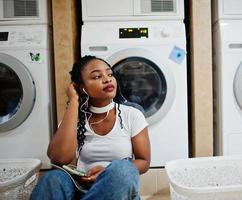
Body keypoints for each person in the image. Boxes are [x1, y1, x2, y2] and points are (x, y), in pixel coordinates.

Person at [30, 55, 151, 200]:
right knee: (53, 178)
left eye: (110, 74)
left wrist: (107, 172)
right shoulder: (74, 117)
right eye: (97, 76)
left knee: (123, 169)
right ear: (82, 87)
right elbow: (59, 158)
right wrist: (74, 101)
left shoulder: (132, 115)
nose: (107, 79)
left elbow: (144, 161)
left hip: (118, 190)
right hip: (81, 189)